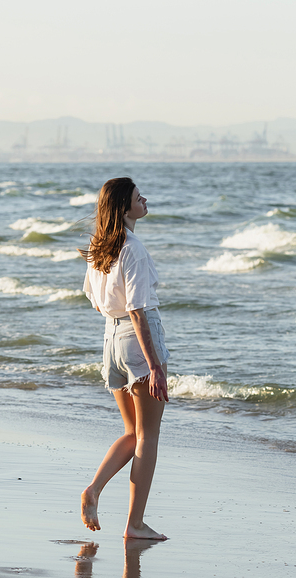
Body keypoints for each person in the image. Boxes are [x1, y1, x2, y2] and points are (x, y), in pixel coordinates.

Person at [80, 177, 170, 540]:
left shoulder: (99, 247)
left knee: (133, 432)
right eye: (137, 197)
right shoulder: (132, 249)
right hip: (136, 341)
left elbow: (94, 298)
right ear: (124, 208)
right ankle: (134, 525)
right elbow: (137, 310)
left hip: (110, 340)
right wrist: (154, 365)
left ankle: (94, 489)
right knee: (147, 436)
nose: (144, 199)